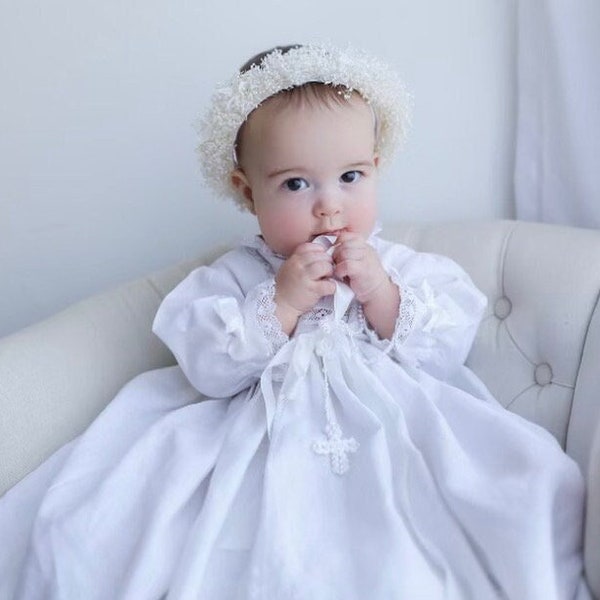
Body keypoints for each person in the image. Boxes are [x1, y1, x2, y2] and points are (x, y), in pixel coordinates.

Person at [0, 43, 587, 599]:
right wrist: (279, 304)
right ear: (247, 192)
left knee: (511, 493)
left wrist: (380, 291)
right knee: (149, 529)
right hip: (258, 431)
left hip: (397, 426)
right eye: (295, 184)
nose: (328, 204)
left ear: (377, 169)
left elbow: (444, 344)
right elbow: (208, 365)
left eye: (351, 176)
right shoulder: (237, 276)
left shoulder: (399, 266)